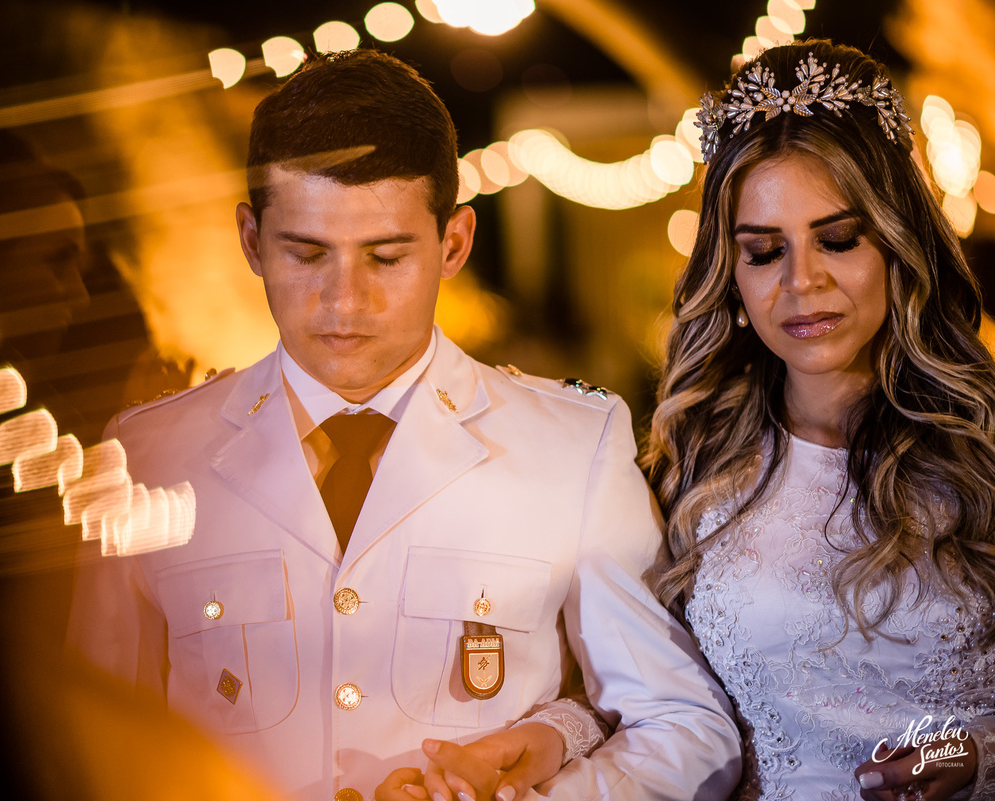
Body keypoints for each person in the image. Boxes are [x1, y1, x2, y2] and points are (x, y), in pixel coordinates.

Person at [68, 49, 741, 801]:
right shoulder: (148, 456)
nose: (344, 301)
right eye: (306, 253)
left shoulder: (573, 445)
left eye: (385, 257)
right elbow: (83, 738)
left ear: (454, 242)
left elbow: (683, 725)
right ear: (252, 240)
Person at [640, 39, 995, 800]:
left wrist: (976, 755)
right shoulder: (691, 463)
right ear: (728, 274)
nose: (804, 282)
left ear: (899, 243)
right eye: (765, 251)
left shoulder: (984, 444)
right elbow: (649, 701)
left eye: (838, 239)